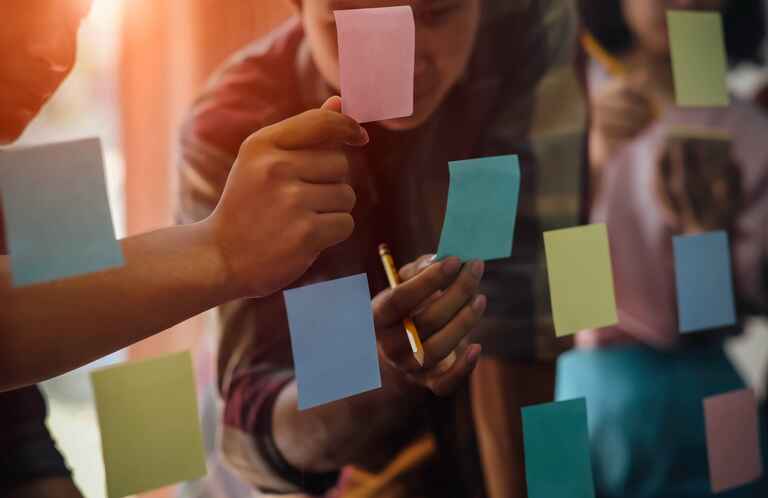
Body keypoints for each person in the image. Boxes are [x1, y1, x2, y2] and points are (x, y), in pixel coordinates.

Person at [176, 1, 585, 497]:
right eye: (360, 22)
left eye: (438, 13)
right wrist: (384, 369)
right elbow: (254, 436)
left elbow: (523, 318)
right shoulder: (235, 125)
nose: (404, 58)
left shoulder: (523, 26)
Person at [0, 0, 369, 392]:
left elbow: (19, 422)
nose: (56, 55)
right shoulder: (236, 114)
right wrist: (221, 250)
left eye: (77, 22)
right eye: (19, 9)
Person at [557, 1, 768, 497]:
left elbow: (733, 308)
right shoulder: (569, 109)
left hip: (700, 374)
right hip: (590, 381)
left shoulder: (747, 129)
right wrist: (589, 164)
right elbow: (551, 301)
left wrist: (704, 232)